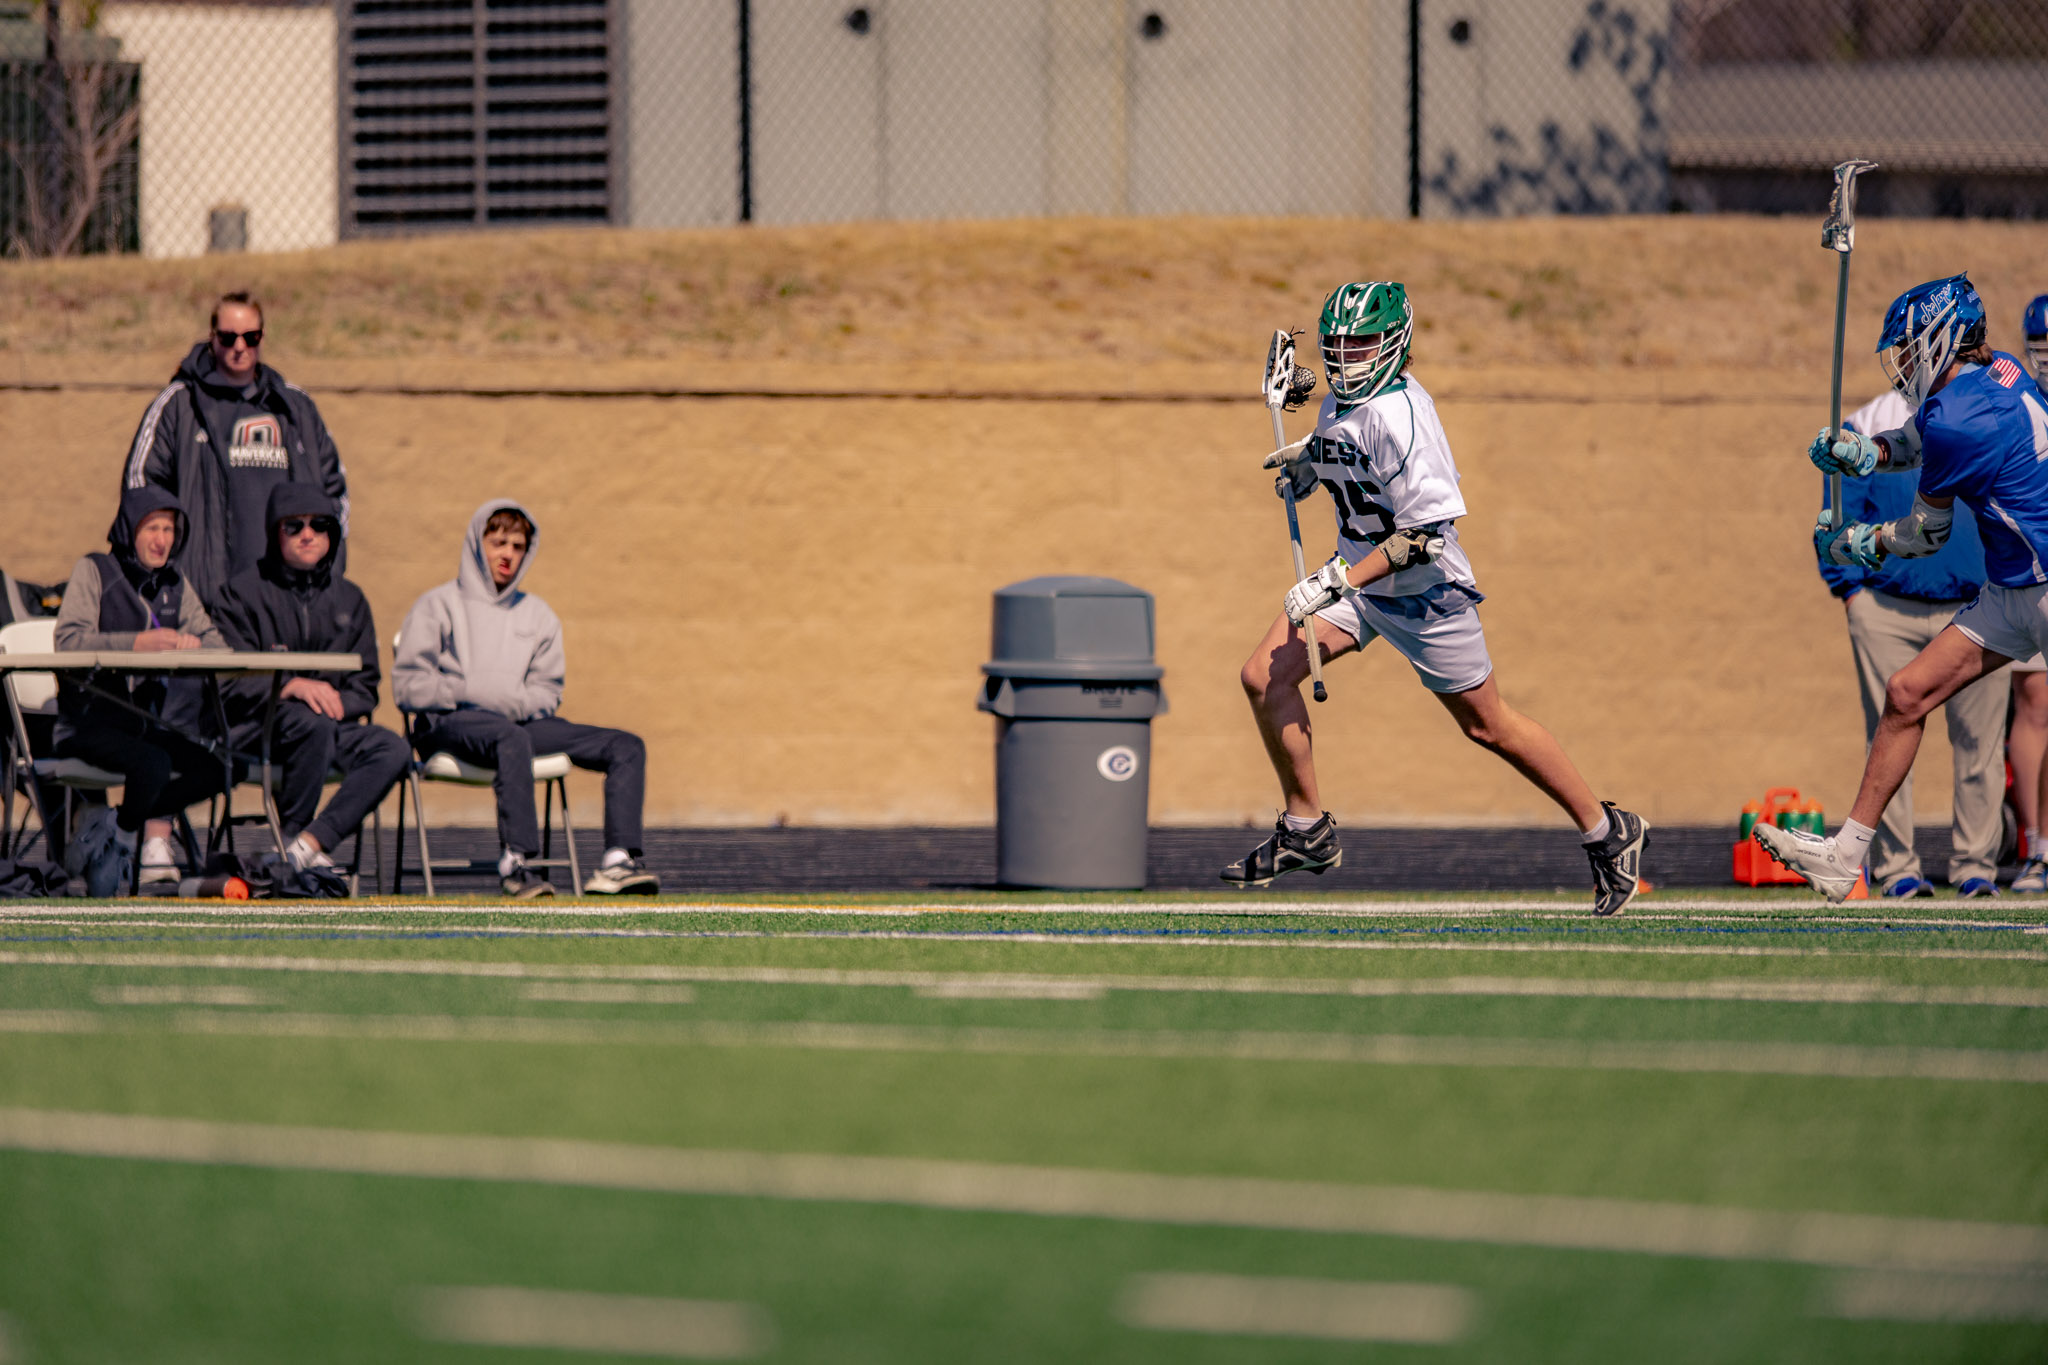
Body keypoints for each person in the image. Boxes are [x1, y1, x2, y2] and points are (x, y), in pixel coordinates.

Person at [1226, 282, 1649, 915]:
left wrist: (1339, 581)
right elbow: (1349, 456)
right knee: (1263, 676)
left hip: (1423, 593)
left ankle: (1608, 831)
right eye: (1336, 343)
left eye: (1361, 342)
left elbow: (1424, 536)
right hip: (1362, 576)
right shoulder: (1344, 402)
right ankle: (1307, 827)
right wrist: (1309, 466)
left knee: (1489, 726)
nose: (1345, 357)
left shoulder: (1406, 415)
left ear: (1394, 342)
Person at [1758, 275, 2048, 901]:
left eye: (1912, 346)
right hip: (2013, 589)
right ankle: (1845, 856)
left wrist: (1857, 545)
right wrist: (1866, 451)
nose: (1906, 361)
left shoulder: (1963, 415)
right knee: (1907, 693)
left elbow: (1924, 534)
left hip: (2041, 585)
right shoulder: (1993, 372)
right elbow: (1925, 438)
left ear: (1941, 339)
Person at [393, 500, 659, 898]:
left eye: (517, 546)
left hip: (517, 726)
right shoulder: (437, 605)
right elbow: (408, 688)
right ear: (476, 543)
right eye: (498, 542)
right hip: (449, 725)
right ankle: (515, 863)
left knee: (626, 745)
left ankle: (617, 863)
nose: (508, 555)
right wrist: (470, 692)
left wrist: (504, 701)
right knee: (509, 737)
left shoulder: (539, 615)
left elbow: (547, 693)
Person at [1817, 383, 2007, 898]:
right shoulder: (1867, 422)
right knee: (1888, 734)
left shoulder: (1982, 411)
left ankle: (1976, 867)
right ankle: (1896, 868)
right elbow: (1838, 519)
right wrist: (1852, 595)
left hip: (1980, 605)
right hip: (1886, 609)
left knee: (1980, 743)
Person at [211, 485, 409, 885]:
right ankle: (290, 837)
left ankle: (307, 846)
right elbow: (226, 681)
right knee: (309, 723)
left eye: (320, 525)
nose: (308, 534)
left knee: (393, 748)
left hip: (332, 727)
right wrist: (289, 686)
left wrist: (336, 701)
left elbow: (365, 686)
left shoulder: (350, 599)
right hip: (259, 730)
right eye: (295, 526)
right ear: (274, 533)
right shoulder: (241, 593)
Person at [121, 292, 350, 610]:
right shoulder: (179, 404)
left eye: (250, 337)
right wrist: (168, 572)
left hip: (285, 601)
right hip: (203, 600)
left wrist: (328, 570)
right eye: (228, 338)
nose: (239, 347)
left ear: (262, 337)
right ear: (212, 338)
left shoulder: (295, 407)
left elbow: (334, 493)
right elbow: (140, 489)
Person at [50, 487, 229, 893]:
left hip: (144, 726)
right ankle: (124, 842)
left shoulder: (175, 584)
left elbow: (215, 641)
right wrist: (133, 644)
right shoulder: (94, 570)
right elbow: (69, 642)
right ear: (130, 530)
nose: (161, 539)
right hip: (88, 724)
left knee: (218, 766)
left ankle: (114, 825)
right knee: (153, 764)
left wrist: (195, 643)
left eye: (169, 528)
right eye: (152, 527)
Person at [2007, 293, 2048, 893]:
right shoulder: (2017, 403)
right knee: (2037, 701)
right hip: (2032, 573)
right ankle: (2037, 846)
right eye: (2038, 350)